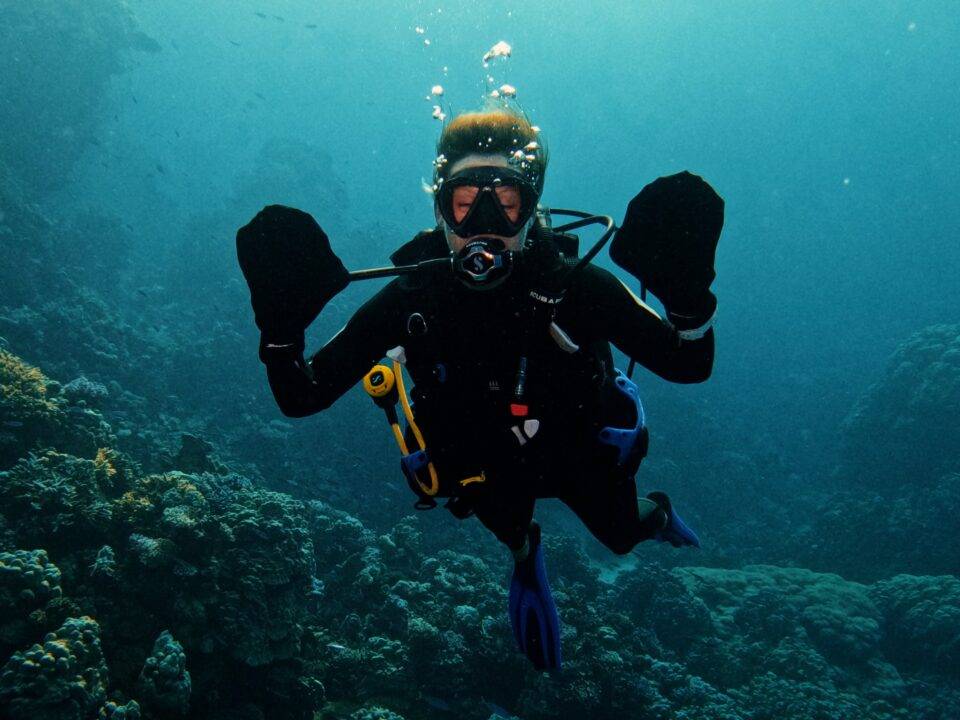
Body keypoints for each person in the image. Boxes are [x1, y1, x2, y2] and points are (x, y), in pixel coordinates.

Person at [237, 108, 723, 671]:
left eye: (507, 202)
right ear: (440, 211)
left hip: (579, 452)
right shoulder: (414, 297)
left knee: (622, 535)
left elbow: (687, 363)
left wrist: (688, 295)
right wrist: (280, 333)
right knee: (511, 527)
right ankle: (525, 556)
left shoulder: (578, 288)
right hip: (484, 466)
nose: (484, 223)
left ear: (532, 211)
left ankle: (657, 517)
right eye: (465, 202)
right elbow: (303, 396)